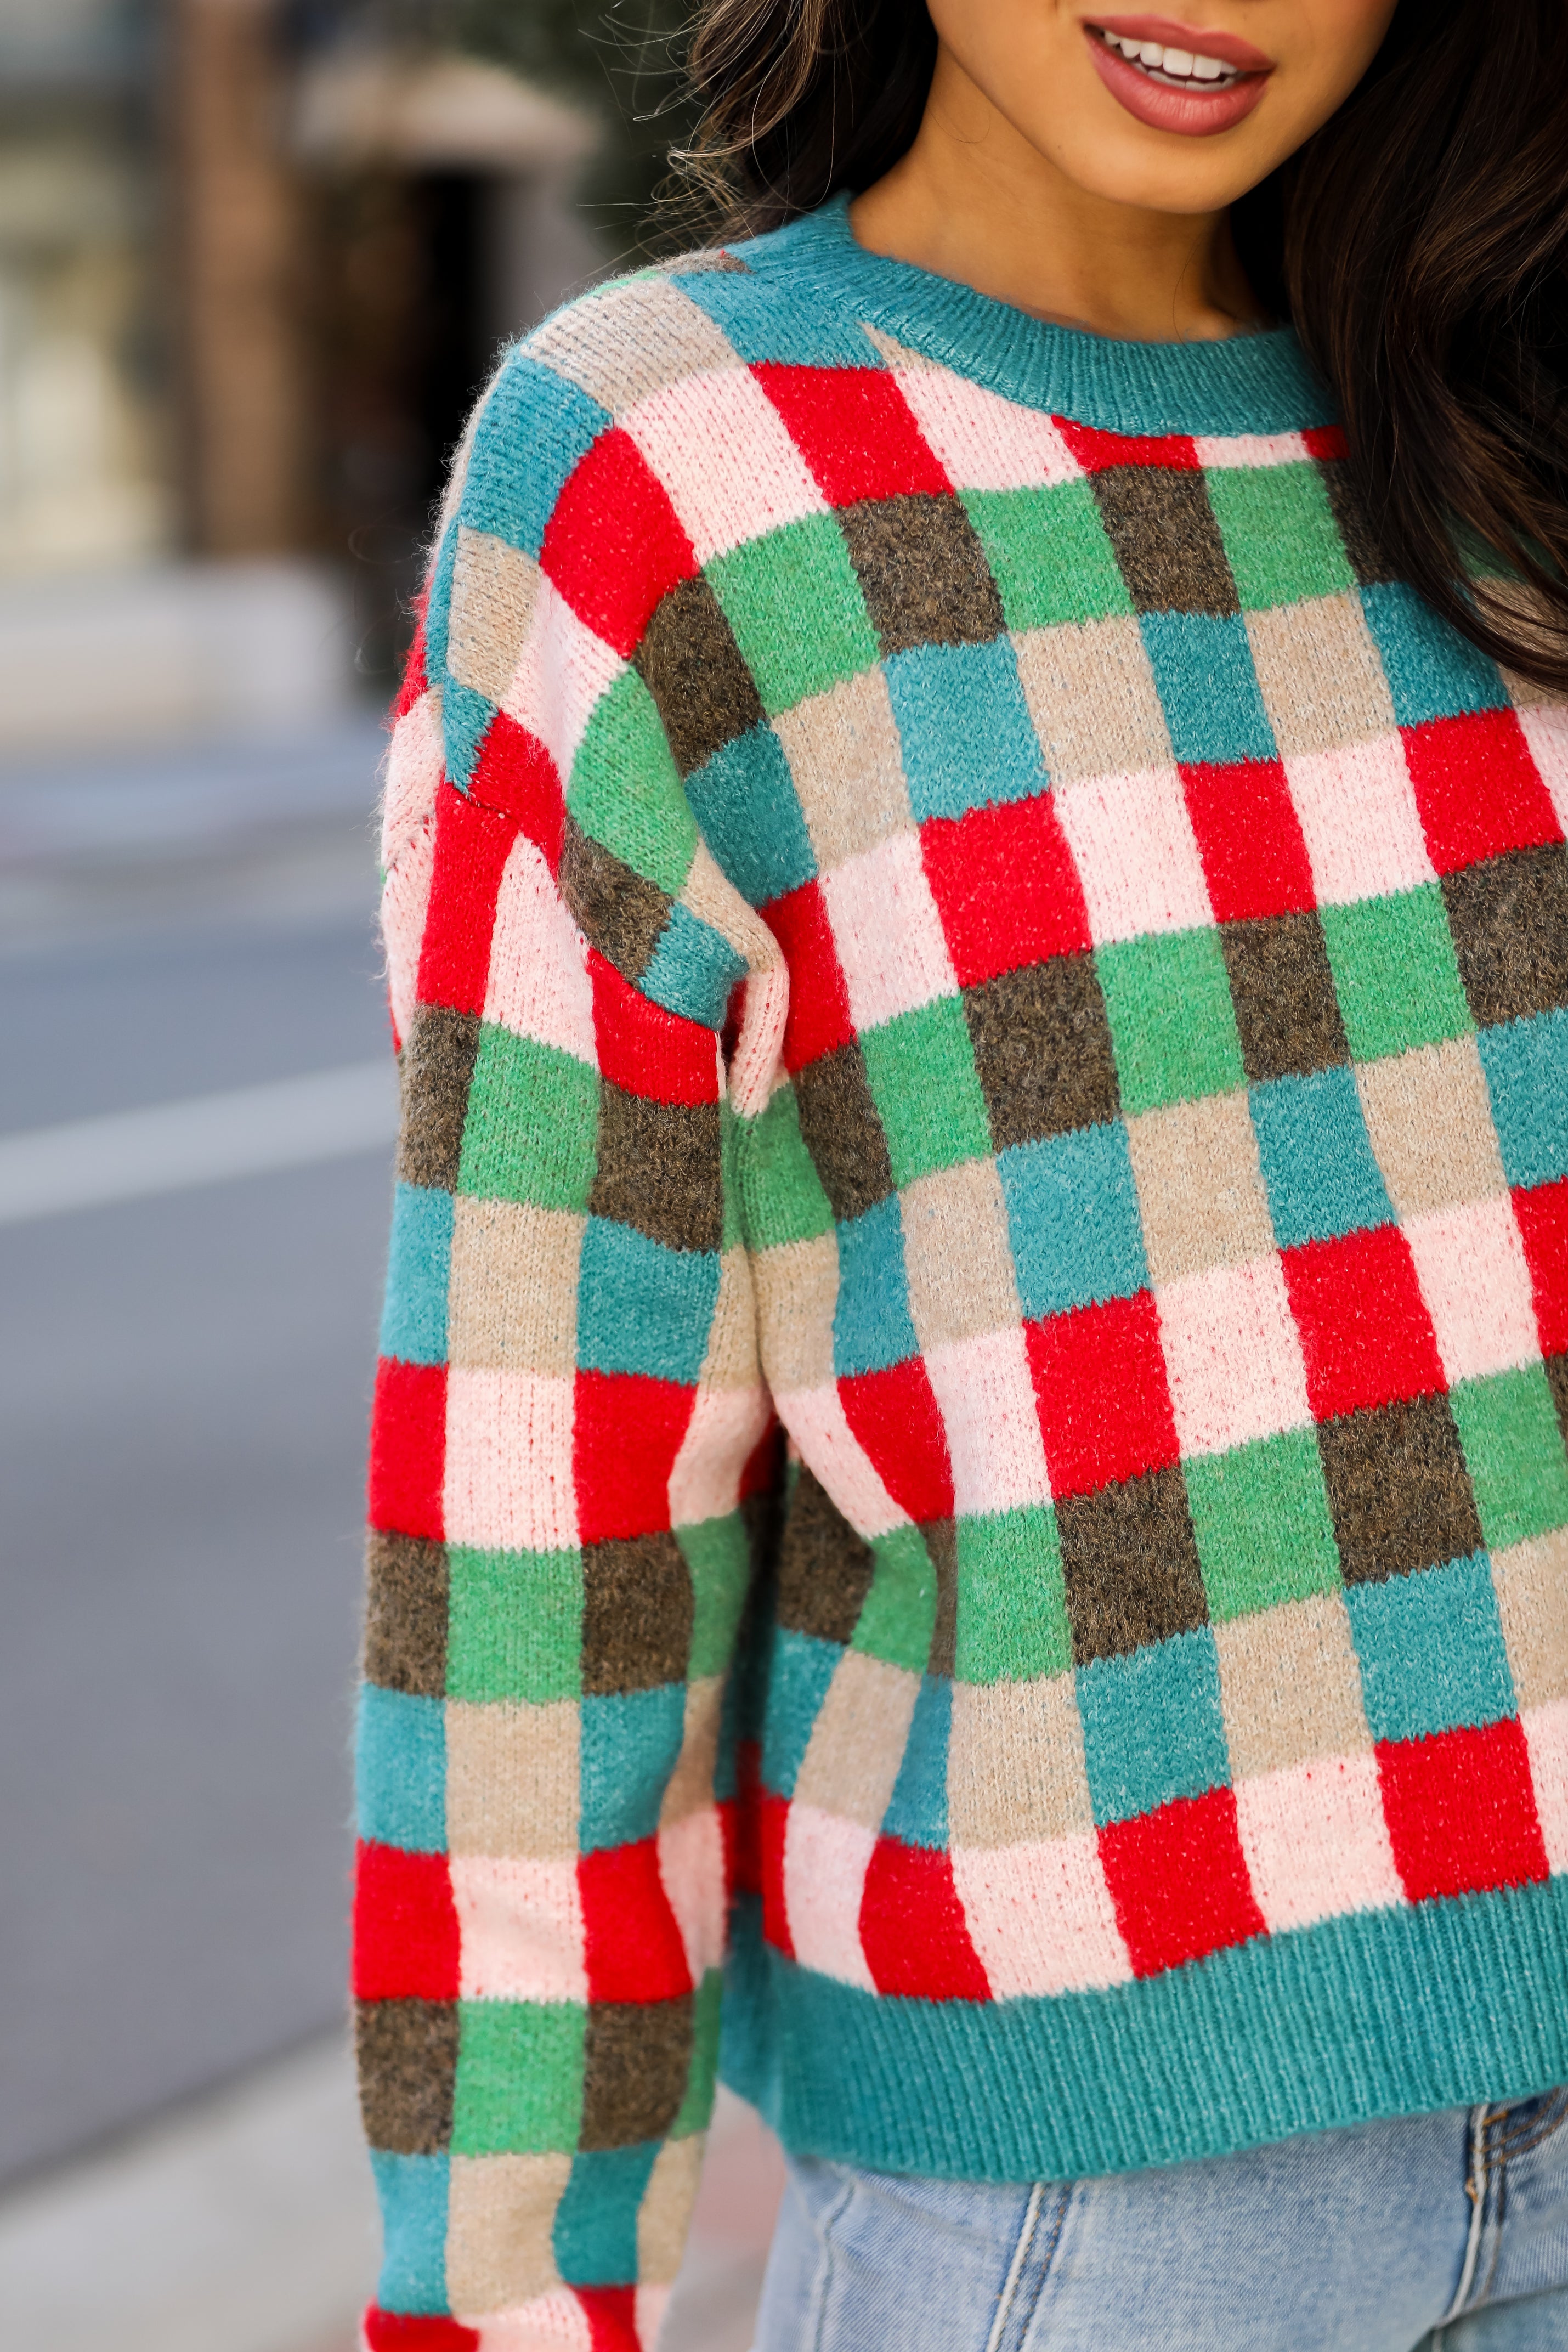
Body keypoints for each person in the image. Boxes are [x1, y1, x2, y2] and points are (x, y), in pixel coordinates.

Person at [352, 3, 1568, 2345]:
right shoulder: (661, 470)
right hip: (1103, 2220)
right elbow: (539, 1501)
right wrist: (504, 2293)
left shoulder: (1501, 394)